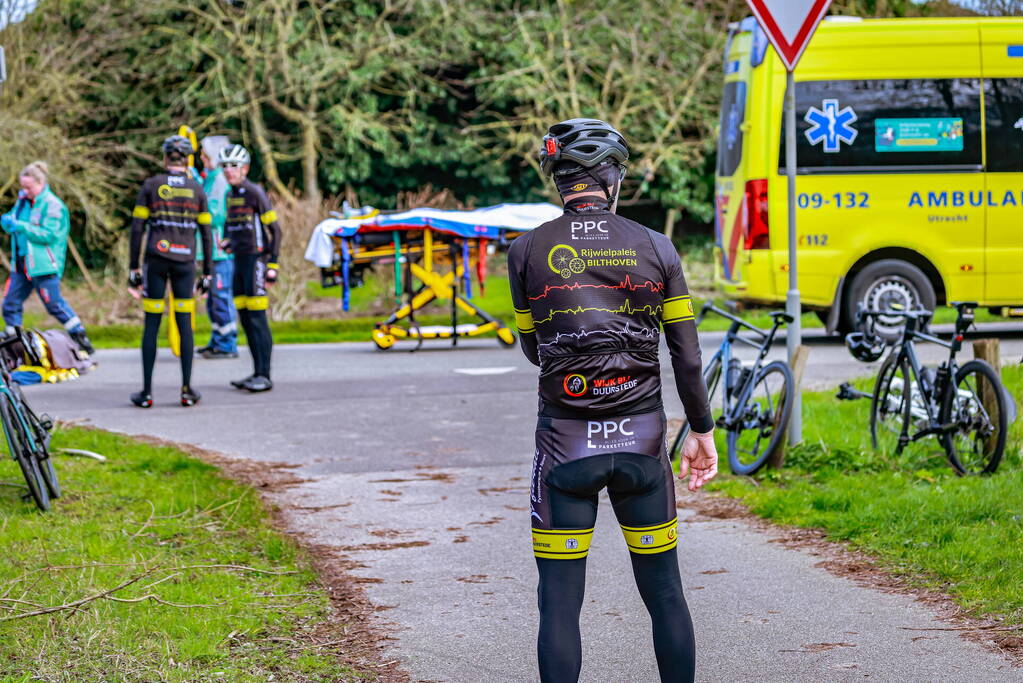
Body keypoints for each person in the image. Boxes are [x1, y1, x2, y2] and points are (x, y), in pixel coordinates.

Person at [507, 118, 719, 683]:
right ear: (610, 178)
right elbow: (688, 358)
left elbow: (535, 347)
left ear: (561, 180)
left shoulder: (526, 249)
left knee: (558, 605)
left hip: (564, 447)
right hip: (643, 445)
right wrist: (702, 430)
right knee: (666, 595)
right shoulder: (657, 246)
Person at [128, 135, 213, 408]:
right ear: (188, 160)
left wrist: (133, 268)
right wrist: (207, 273)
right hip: (185, 263)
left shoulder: (151, 185)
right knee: (185, 325)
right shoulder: (197, 189)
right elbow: (207, 234)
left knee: (151, 325)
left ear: (165, 158)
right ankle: (187, 391)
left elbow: (137, 230)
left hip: (156, 261)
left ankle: (146, 392)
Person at [1, 161, 94, 355]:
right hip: (21, 263)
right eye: (22, 187)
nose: (25, 191)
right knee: (10, 303)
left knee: (54, 304)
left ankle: (80, 337)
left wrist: (21, 226)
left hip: (43, 265)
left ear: (40, 182)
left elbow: (50, 235)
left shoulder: (53, 205)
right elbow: (13, 223)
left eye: (29, 187)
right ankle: (14, 343)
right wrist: (8, 222)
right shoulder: (23, 202)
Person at [217, 144, 280, 393]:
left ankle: (265, 374)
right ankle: (255, 372)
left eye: (233, 166)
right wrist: (227, 241)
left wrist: (272, 265)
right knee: (244, 318)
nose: (229, 171)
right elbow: (234, 227)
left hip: (256, 261)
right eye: (225, 166)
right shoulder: (231, 195)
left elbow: (275, 231)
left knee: (257, 320)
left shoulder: (255, 192)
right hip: (239, 261)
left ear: (245, 168)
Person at [192, 135, 239, 359]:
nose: (201, 157)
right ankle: (217, 339)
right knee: (212, 299)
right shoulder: (211, 177)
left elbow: (214, 212)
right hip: (209, 250)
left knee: (221, 296)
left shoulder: (219, 180)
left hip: (219, 251)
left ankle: (228, 343)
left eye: (203, 153)